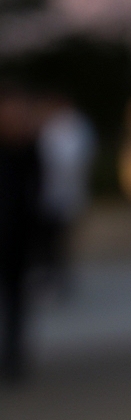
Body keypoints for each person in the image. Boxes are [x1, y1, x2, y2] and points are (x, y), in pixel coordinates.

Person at [0, 83, 42, 383]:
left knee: (16, 299)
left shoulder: (29, 149)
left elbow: (35, 194)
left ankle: (14, 356)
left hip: (18, 237)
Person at [35, 95, 95, 297]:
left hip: (61, 194)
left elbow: (68, 162)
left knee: (57, 242)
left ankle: (58, 280)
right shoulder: (57, 126)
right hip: (56, 194)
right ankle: (53, 278)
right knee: (52, 242)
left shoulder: (68, 126)